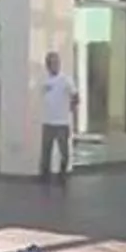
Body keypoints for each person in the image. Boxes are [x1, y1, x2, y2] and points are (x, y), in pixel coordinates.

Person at [40, 51, 79, 184]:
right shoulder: (44, 80)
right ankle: (44, 176)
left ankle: (63, 175)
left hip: (61, 122)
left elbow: (75, 96)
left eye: (57, 63)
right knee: (46, 151)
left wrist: (71, 108)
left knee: (64, 152)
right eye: (52, 63)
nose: (55, 65)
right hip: (47, 121)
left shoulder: (65, 79)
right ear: (48, 65)